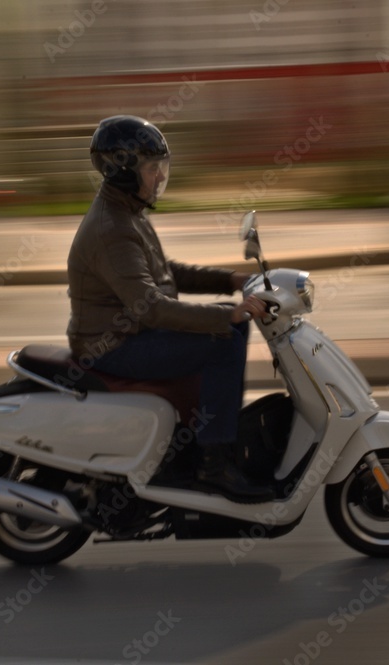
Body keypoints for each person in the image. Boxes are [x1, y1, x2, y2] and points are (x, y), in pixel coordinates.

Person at [66, 115, 273, 503]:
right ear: (125, 172)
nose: (160, 177)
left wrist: (230, 281)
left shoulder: (126, 212)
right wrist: (225, 315)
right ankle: (213, 464)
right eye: (151, 168)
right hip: (115, 345)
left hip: (130, 333)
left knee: (231, 326)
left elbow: (165, 272)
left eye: (161, 167)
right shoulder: (113, 228)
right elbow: (151, 308)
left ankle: (203, 439)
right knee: (225, 338)